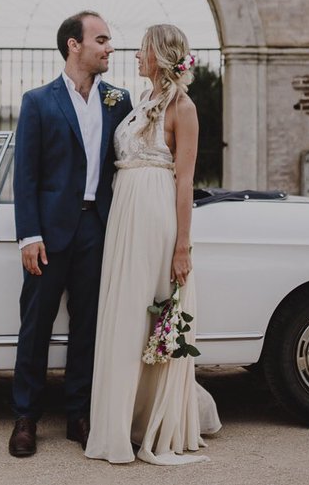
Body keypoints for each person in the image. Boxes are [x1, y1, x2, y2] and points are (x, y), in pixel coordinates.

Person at [85, 23, 222, 465]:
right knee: (125, 316)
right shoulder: (137, 101)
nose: (135, 57)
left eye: (143, 50)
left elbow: (185, 181)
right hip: (124, 219)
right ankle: (124, 419)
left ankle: (158, 421)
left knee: (157, 315)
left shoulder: (183, 107)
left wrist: (183, 245)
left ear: (161, 56)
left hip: (156, 218)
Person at [9, 10, 133, 457]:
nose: (109, 48)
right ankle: (25, 418)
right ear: (73, 45)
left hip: (98, 229)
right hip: (50, 232)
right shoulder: (38, 102)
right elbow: (26, 176)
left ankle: (78, 415)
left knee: (89, 327)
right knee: (35, 326)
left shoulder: (120, 100)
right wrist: (29, 235)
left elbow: (129, 164)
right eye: (101, 39)